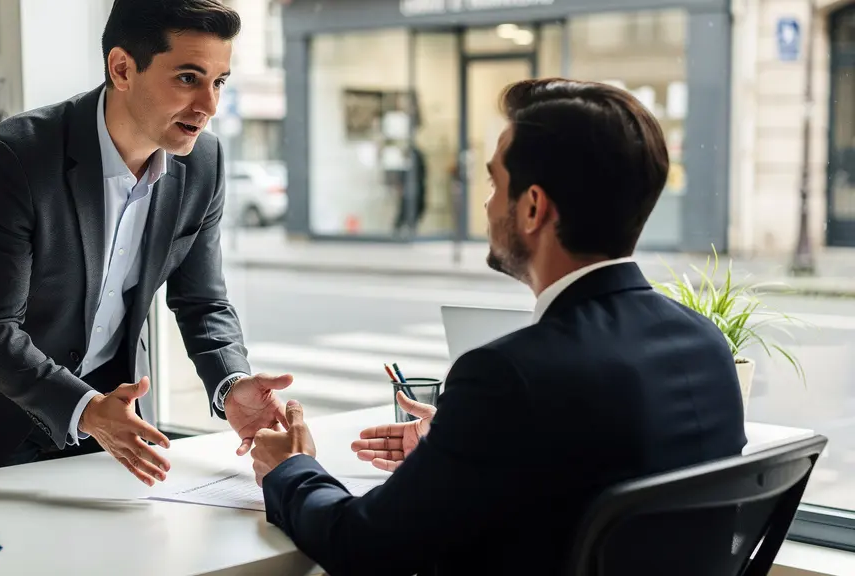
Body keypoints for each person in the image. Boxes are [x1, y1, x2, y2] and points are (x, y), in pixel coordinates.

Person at [249, 78, 747, 575]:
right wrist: (458, 449)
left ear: (532, 207)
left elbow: (365, 546)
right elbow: (593, 472)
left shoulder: (511, 375)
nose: (487, 206)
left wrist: (291, 470)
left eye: (494, 183)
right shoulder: (706, 344)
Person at [0, 0, 292, 483]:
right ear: (123, 68)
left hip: (108, 412)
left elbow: (202, 302)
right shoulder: (13, 158)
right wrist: (85, 408)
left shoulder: (202, 163)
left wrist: (231, 383)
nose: (209, 106)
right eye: (188, 78)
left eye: (219, 82)